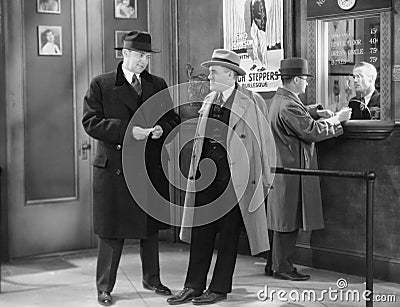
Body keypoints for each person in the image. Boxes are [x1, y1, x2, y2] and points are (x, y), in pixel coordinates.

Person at [167, 49, 274, 305]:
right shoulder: (209, 100)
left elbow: (267, 146)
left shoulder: (252, 101)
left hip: (234, 181)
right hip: (205, 178)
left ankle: (219, 288)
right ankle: (193, 286)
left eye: (214, 71)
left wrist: (266, 181)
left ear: (230, 74)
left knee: (228, 236)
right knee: (201, 232)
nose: (210, 75)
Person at [82, 30, 180, 306]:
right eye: (139, 55)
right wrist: (128, 131)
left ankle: (153, 279)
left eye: (147, 57)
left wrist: (164, 128)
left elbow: (172, 118)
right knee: (112, 231)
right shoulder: (100, 84)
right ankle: (104, 287)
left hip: (147, 166)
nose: (144, 62)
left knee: (149, 229)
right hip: (114, 168)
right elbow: (91, 122)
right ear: (124, 54)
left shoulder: (157, 84)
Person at [266, 57, 352, 281]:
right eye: (304, 79)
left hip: (284, 167)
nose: (306, 84)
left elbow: (300, 116)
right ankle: (282, 267)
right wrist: (337, 120)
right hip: (291, 168)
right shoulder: (288, 105)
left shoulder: (281, 100)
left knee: (282, 219)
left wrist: (314, 112)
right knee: (287, 220)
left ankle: (274, 264)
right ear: (295, 79)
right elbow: (311, 132)